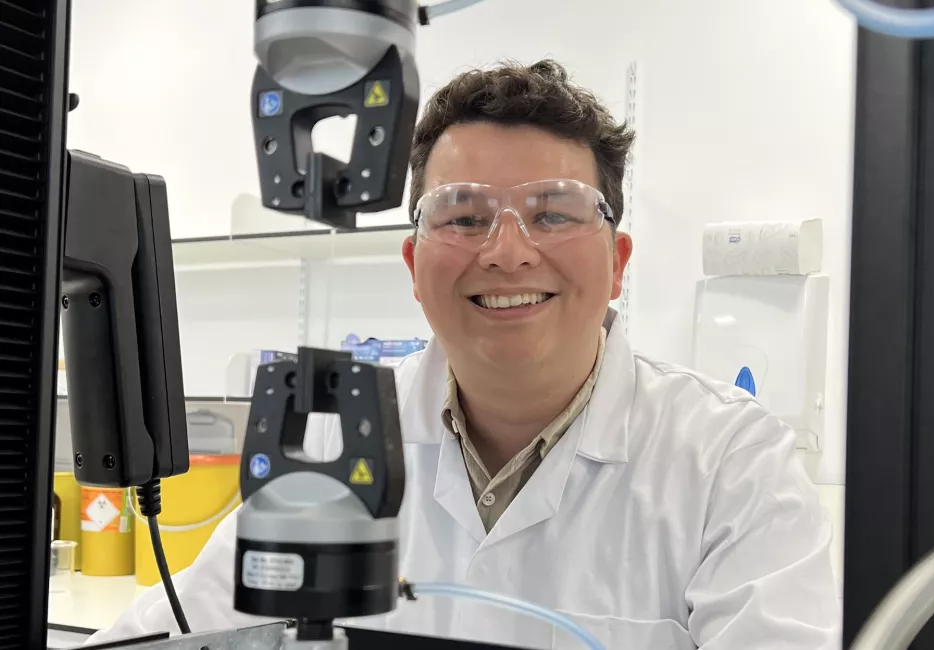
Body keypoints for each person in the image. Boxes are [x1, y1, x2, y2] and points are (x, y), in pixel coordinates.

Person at [88, 59, 841, 649]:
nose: (507, 252)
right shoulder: (332, 438)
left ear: (617, 261)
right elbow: (183, 624)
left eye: (553, 212)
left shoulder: (732, 465)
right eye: (465, 215)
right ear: (414, 267)